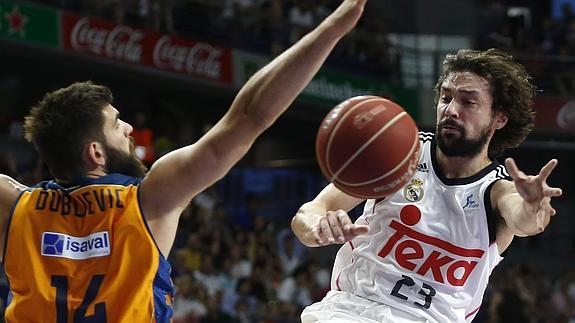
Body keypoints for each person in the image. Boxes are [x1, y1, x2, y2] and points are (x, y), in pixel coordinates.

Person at [0, 0, 368, 321]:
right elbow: (250, 116)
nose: (129, 128)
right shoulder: (146, 201)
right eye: (116, 124)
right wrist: (334, 28)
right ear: (95, 152)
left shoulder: (13, 206)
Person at [291, 48, 564, 323]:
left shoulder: (498, 190)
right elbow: (310, 212)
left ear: (499, 118)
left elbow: (524, 220)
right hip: (352, 311)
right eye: (446, 98)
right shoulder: (398, 156)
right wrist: (317, 227)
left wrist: (533, 206)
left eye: (468, 102)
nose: (451, 111)